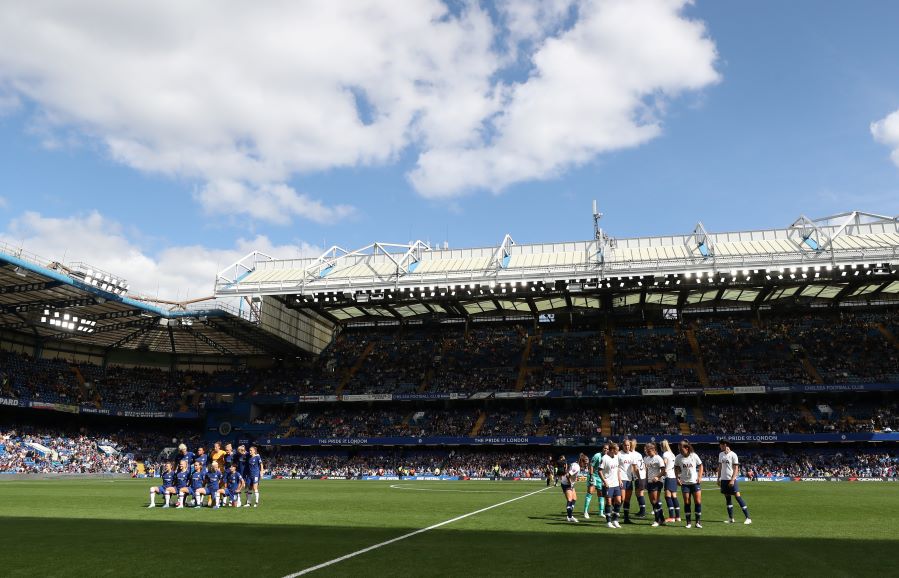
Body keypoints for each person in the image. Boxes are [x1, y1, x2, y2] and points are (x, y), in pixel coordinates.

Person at [717, 440, 752, 525]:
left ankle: (748, 518)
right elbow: (720, 467)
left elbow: (736, 468)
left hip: (731, 479)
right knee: (727, 498)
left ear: (725, 445)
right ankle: (731, 518)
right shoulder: (721, 454)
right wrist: (718, 478)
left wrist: (733, 479)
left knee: (738, 497)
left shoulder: (733, 455)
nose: (720, 447)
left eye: (721, 445)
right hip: (724, 480)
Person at [674, 440, 703, 529]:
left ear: (687, 448)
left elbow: (701, 465)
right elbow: (676, 467)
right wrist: (677, 478)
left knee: (698, 502)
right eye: (679, 449)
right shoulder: (678, 457)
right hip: (685, 483)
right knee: (687, 502)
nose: (680, 451)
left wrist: (700, 476)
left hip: (695, 482)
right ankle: (688, 522)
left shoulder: (694, 456)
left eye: (681, 449)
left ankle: (698, 522)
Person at [599, 442, 623, 529]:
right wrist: (604, 481)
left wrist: (620, 480)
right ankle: (608, 522)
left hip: (616, 484)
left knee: (619, 501)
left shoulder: (616, 457)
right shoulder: (604, 458)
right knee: (608, 502)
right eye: (617, 450)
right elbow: (599, 471)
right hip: (608, 484)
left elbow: (617, 470)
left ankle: (615, 520)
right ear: (612, 450)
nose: (618, 451)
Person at [560, 453, 588, 523]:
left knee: (574, 499)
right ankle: (569, 517)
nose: (586, 465)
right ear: (581, 461)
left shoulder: (576, 464)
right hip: (566, 483)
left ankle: (569, 515)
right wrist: (570, 484)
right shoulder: (577, 467)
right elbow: (567, 475)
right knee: (570, 499)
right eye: (585, 463)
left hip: (569, 483)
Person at [644, 443, 666, 527]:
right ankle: (662, 519)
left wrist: (657, 477)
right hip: (649, 482)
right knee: (653, 502)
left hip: (657, 482)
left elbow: (664, 471)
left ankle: (657, 520)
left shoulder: (658, 458)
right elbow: (646, 471)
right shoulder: (646, 459)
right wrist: (646, 481)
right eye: (647, 451)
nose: (647, 452)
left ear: (653, 450)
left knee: (655, 501)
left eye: (649, 451)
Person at [584, 443, 607, 519]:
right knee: (590, 492)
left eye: (607, 449)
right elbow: (591, 465)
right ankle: (585, 511)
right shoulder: (597, 455)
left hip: (601, 477)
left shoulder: (607, 457)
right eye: (605, 448)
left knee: (601, 494)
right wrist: (591, 476)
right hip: (593, 476)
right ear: (602, 449)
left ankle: (601, 512)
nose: (606, 450)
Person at [660, 439, 681, 522]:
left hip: (668, 476)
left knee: (667, 496)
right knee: (674, 496)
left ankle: (671, 517)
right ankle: (678, 517)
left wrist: (660, 473)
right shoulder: (672, 454)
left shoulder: (665, 454)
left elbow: (664, 464)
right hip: (673, 476)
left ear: (662, 446)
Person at [618, 439, 636, 523]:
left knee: (627, 500)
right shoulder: (619, 454)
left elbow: (633, 467)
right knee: (621, 498)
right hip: (622, 479)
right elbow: (617, 467)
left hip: (629, 480)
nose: (627, 447)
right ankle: (615, 515)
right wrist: (619, 479)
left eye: (628, 445)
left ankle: (626, 518)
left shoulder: (632, 455)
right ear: (622, 445)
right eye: (625, 445)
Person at [633, 443, 648, 518]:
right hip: (642, 475)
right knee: (638, 493)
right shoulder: (639, 454)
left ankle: (643, 512)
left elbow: (635, 467)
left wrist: (638, 477)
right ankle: (641, 510)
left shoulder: (634, 454)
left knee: (640, 493)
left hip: (639, 476)